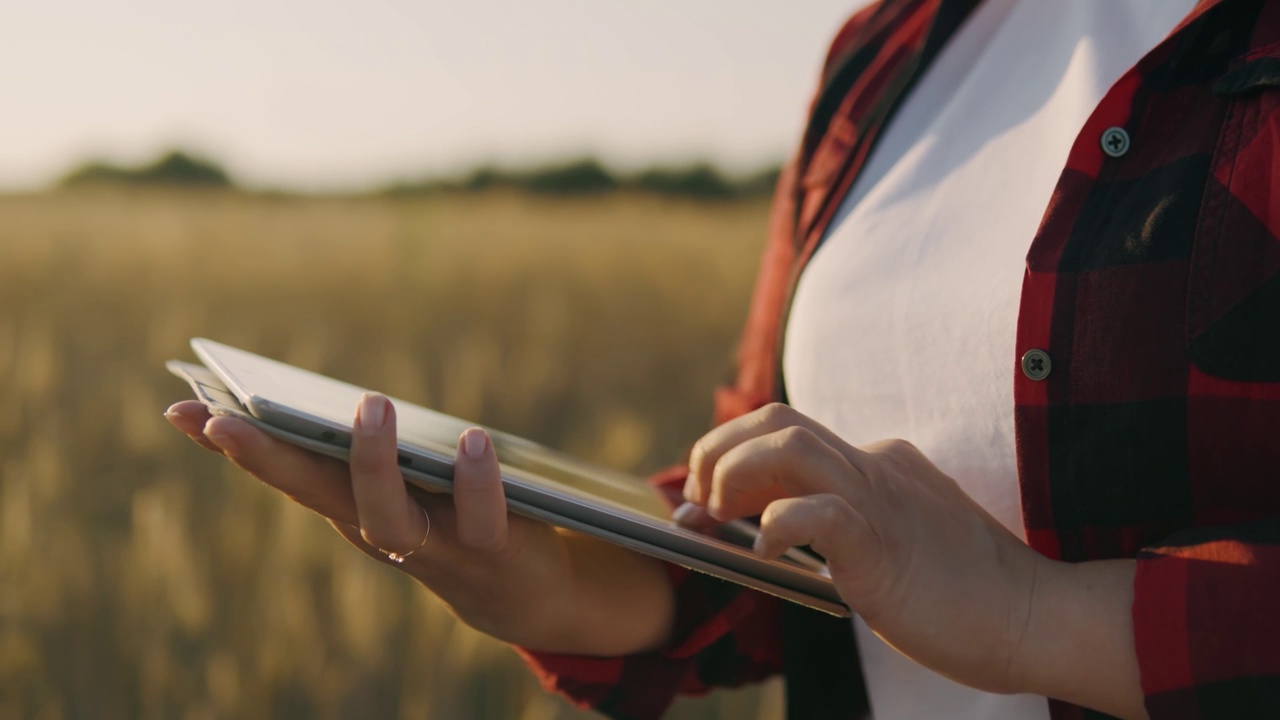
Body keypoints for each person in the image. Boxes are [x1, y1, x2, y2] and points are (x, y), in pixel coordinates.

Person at [166, 0, 1280, 718]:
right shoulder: (884, 51)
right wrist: (551, 580)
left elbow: (944, 582)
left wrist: (1034, 617)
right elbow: (780, 531)